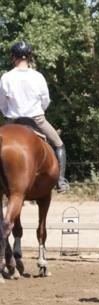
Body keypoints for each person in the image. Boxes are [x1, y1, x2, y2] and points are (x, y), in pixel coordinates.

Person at [0, 41, 70, 193]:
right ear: (30, 57)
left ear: (13, 57)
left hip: (12, 121)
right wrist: (39, 112)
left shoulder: (6, 77)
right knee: (58, 144)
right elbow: (45, 100)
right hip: (37, 119)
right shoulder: (38, 76)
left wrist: (8, 114)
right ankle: (60, 180)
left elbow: (2, 104)